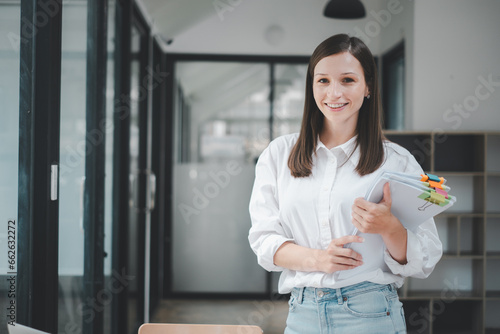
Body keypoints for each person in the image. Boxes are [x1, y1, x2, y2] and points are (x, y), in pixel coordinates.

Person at [248, 34, 442, 334]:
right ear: (311, 86)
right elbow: (263, 241)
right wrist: (318, 259)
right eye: (323, 80)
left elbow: (426, 258)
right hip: (302, 314)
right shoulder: (278, 154)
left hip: (372, 314)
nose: (334, 92)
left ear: (368, 87)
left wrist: (390, 228)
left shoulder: (397, 161)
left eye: (348, 80)